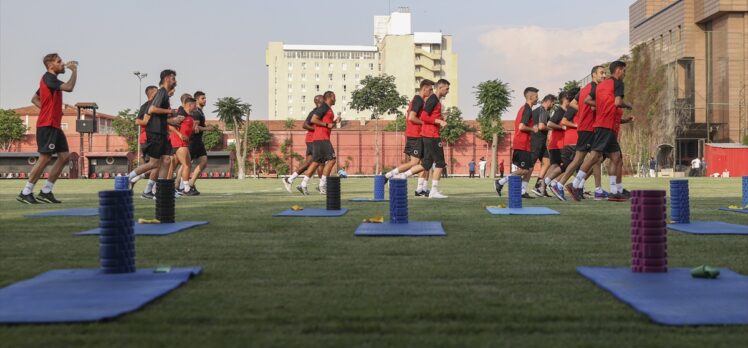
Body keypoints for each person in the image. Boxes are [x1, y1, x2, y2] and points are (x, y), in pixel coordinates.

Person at [17, 53, 78, 204]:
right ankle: (26, 192)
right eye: (59, 62)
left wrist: (50, 109)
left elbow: (34, 98)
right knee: (45, 158)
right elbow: (69, 87)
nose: (63, 64)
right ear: (51, 66)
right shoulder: (49, 78)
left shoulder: (51, 81)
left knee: (64, 156)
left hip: (54, 125)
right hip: (47, 125)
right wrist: (74, 70)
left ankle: (46, 191)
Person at [571, 61, 632, 202]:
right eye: (624, 70)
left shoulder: (600, 85)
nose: (625, 73)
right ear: (618, 70)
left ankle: (615, 192)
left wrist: (603, 105)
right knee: (594, 156)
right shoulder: (618, 83)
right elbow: (618, 102)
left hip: (605, 125)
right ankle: (575, 185)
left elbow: (587, 100)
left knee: (616, 157)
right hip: (605, 125)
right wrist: (627, 104)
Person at [551, 66, 607, 201]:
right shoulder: (594, 88)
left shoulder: (584, 89)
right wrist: (599, 108)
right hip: (588, 129)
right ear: (594, 75)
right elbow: (590, 104)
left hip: (586, 128)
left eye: (605, 73)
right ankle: (561, 184)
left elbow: (574, 103)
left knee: (596, 157)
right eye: (601, 73)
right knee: (581, 159)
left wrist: (584, 111)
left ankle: (592, 188)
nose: (604, 76)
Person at [394, 79, 451, 199]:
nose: (448, 91)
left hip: (429, 134)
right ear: (440, 88)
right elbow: (424, 116)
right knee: (440, 163)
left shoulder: (435, 100)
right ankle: (434, 191)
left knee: (427, 164)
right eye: (447, 89)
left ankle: (403, 176)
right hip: (431, 135)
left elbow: (430, 116)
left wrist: (441, 118)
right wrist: (439, 121)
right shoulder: (433, 99)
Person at [127, 70, 183, 188]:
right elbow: (152, 109)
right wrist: (170, 111)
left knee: (166, 160)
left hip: (161, 133)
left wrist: (174, 120)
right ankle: (128, 178)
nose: (175, 81)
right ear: (167, 79)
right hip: (155, 133)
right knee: (153, 164)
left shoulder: (164, 94)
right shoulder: (162, 92)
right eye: (173, 78)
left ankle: (159, 189)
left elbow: (159, 116)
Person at [383, 79, 433, 196]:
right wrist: (425, 123)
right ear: (424, 88)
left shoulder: (420, 101)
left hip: (418, 135)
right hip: (415, 135)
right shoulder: (418, 100)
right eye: (430, 89)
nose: (431, 92)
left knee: (425, 163)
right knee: (415, 162)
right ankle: (389, 176)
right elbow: (411, 118)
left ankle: (421, 189)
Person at [495, 87, 539, 199]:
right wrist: (533, 129)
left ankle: (522, 191)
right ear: (530, 97)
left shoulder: (524, 108)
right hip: (522, 143)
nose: (537, 98)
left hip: (525, 144)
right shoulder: (527, 109)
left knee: (529, 168)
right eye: (536, 96)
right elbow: (522, 126)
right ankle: (500, 182)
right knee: (524, 170)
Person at [298, 91, 340, 195]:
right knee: (332, 160)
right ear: (330, 97)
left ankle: (303, 184)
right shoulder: (324, 107)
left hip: (318, 138)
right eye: (334, 97)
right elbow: (314, 119)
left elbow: (327, 125)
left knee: (316, 162)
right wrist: (327, 124)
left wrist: (334, 122)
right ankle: (322, 185)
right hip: (322, 138)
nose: (335, 99)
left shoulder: (328, 109)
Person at [284, 95, 325, 193]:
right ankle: (320, 185)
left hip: (313, 140)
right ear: (318, 100)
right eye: (323, 98)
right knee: (320, 162)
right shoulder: (315, 111)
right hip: (313, 140)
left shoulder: (321, 111)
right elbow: (305, 125)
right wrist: (317, 129)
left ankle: (290, 180)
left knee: (309, 163)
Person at [543, 92, 571, 200]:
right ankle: (546, 185)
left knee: (556, 166)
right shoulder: (560, 111)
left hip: (560, 144)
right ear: (565, 100)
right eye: (570, 99)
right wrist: (562, 128)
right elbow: (549, 124)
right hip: (556, 144)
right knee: (560, 166)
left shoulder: (565, 111)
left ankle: (544, 186)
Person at [135, 85, 159, 199]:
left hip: (154, 138)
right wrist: (150, 122)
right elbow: (138, 121)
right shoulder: (146, 106)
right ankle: (133, 180)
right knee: (154, 165)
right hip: (148, 138)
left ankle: (151, 189)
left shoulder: (155, 105)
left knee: (157, 165)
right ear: (152, 93)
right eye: (157, 92)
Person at [530, 94, 557, 197]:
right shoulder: (543, 110)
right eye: (553, 103)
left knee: (547, 162)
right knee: (528, 167)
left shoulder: (538, 110)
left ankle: (539, 186)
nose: (553, 106)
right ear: (549, 101)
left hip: (541, 142)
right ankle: (506, 182)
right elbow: (541, 126)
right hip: (536, 141)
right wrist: (552, 128)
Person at [170, 97, 196, 195]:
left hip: (184, 143)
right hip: (179, 142)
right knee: (186, 165)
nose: (196, 106)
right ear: (189, 105)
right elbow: (170, 125)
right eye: (194, 104)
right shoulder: (181, 114)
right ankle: (186, 188)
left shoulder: (189, 115)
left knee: (172, 167)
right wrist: (180, 134)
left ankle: (163, 186)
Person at [187, 91, 210, 195]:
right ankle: (181, 186)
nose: (205, 100)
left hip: (198, 141)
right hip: (192, 141)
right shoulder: (196, 112)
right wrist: (207, 128)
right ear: (196, 100)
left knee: (204, 161)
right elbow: (194, 128)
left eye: (205, 98)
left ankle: (191, 183)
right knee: (186, 165)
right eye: (202, 98)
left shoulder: (200, 112)